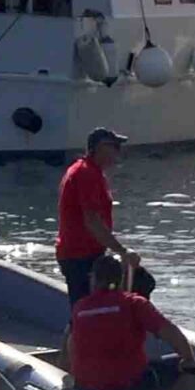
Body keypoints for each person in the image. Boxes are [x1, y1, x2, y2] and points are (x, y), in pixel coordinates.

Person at [65, 265, 195, 390]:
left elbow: (71, 344)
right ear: (121, 280)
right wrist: (189, 359)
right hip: (127, 386)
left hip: (88, 385)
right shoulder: (134, 304)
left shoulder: (80, 307)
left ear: (94, 280)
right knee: (178, 365)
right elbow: (171, 332)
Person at [55, 126, 154, 301]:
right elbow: (92, 220)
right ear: (100, 148)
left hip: (90, 253)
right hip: (79, 256)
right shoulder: (85, 173)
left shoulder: (93, 172)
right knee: (85, 309)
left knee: (143, 282)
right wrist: (122, 251)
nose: (118, 152)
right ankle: (76, 328)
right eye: (114, 147)